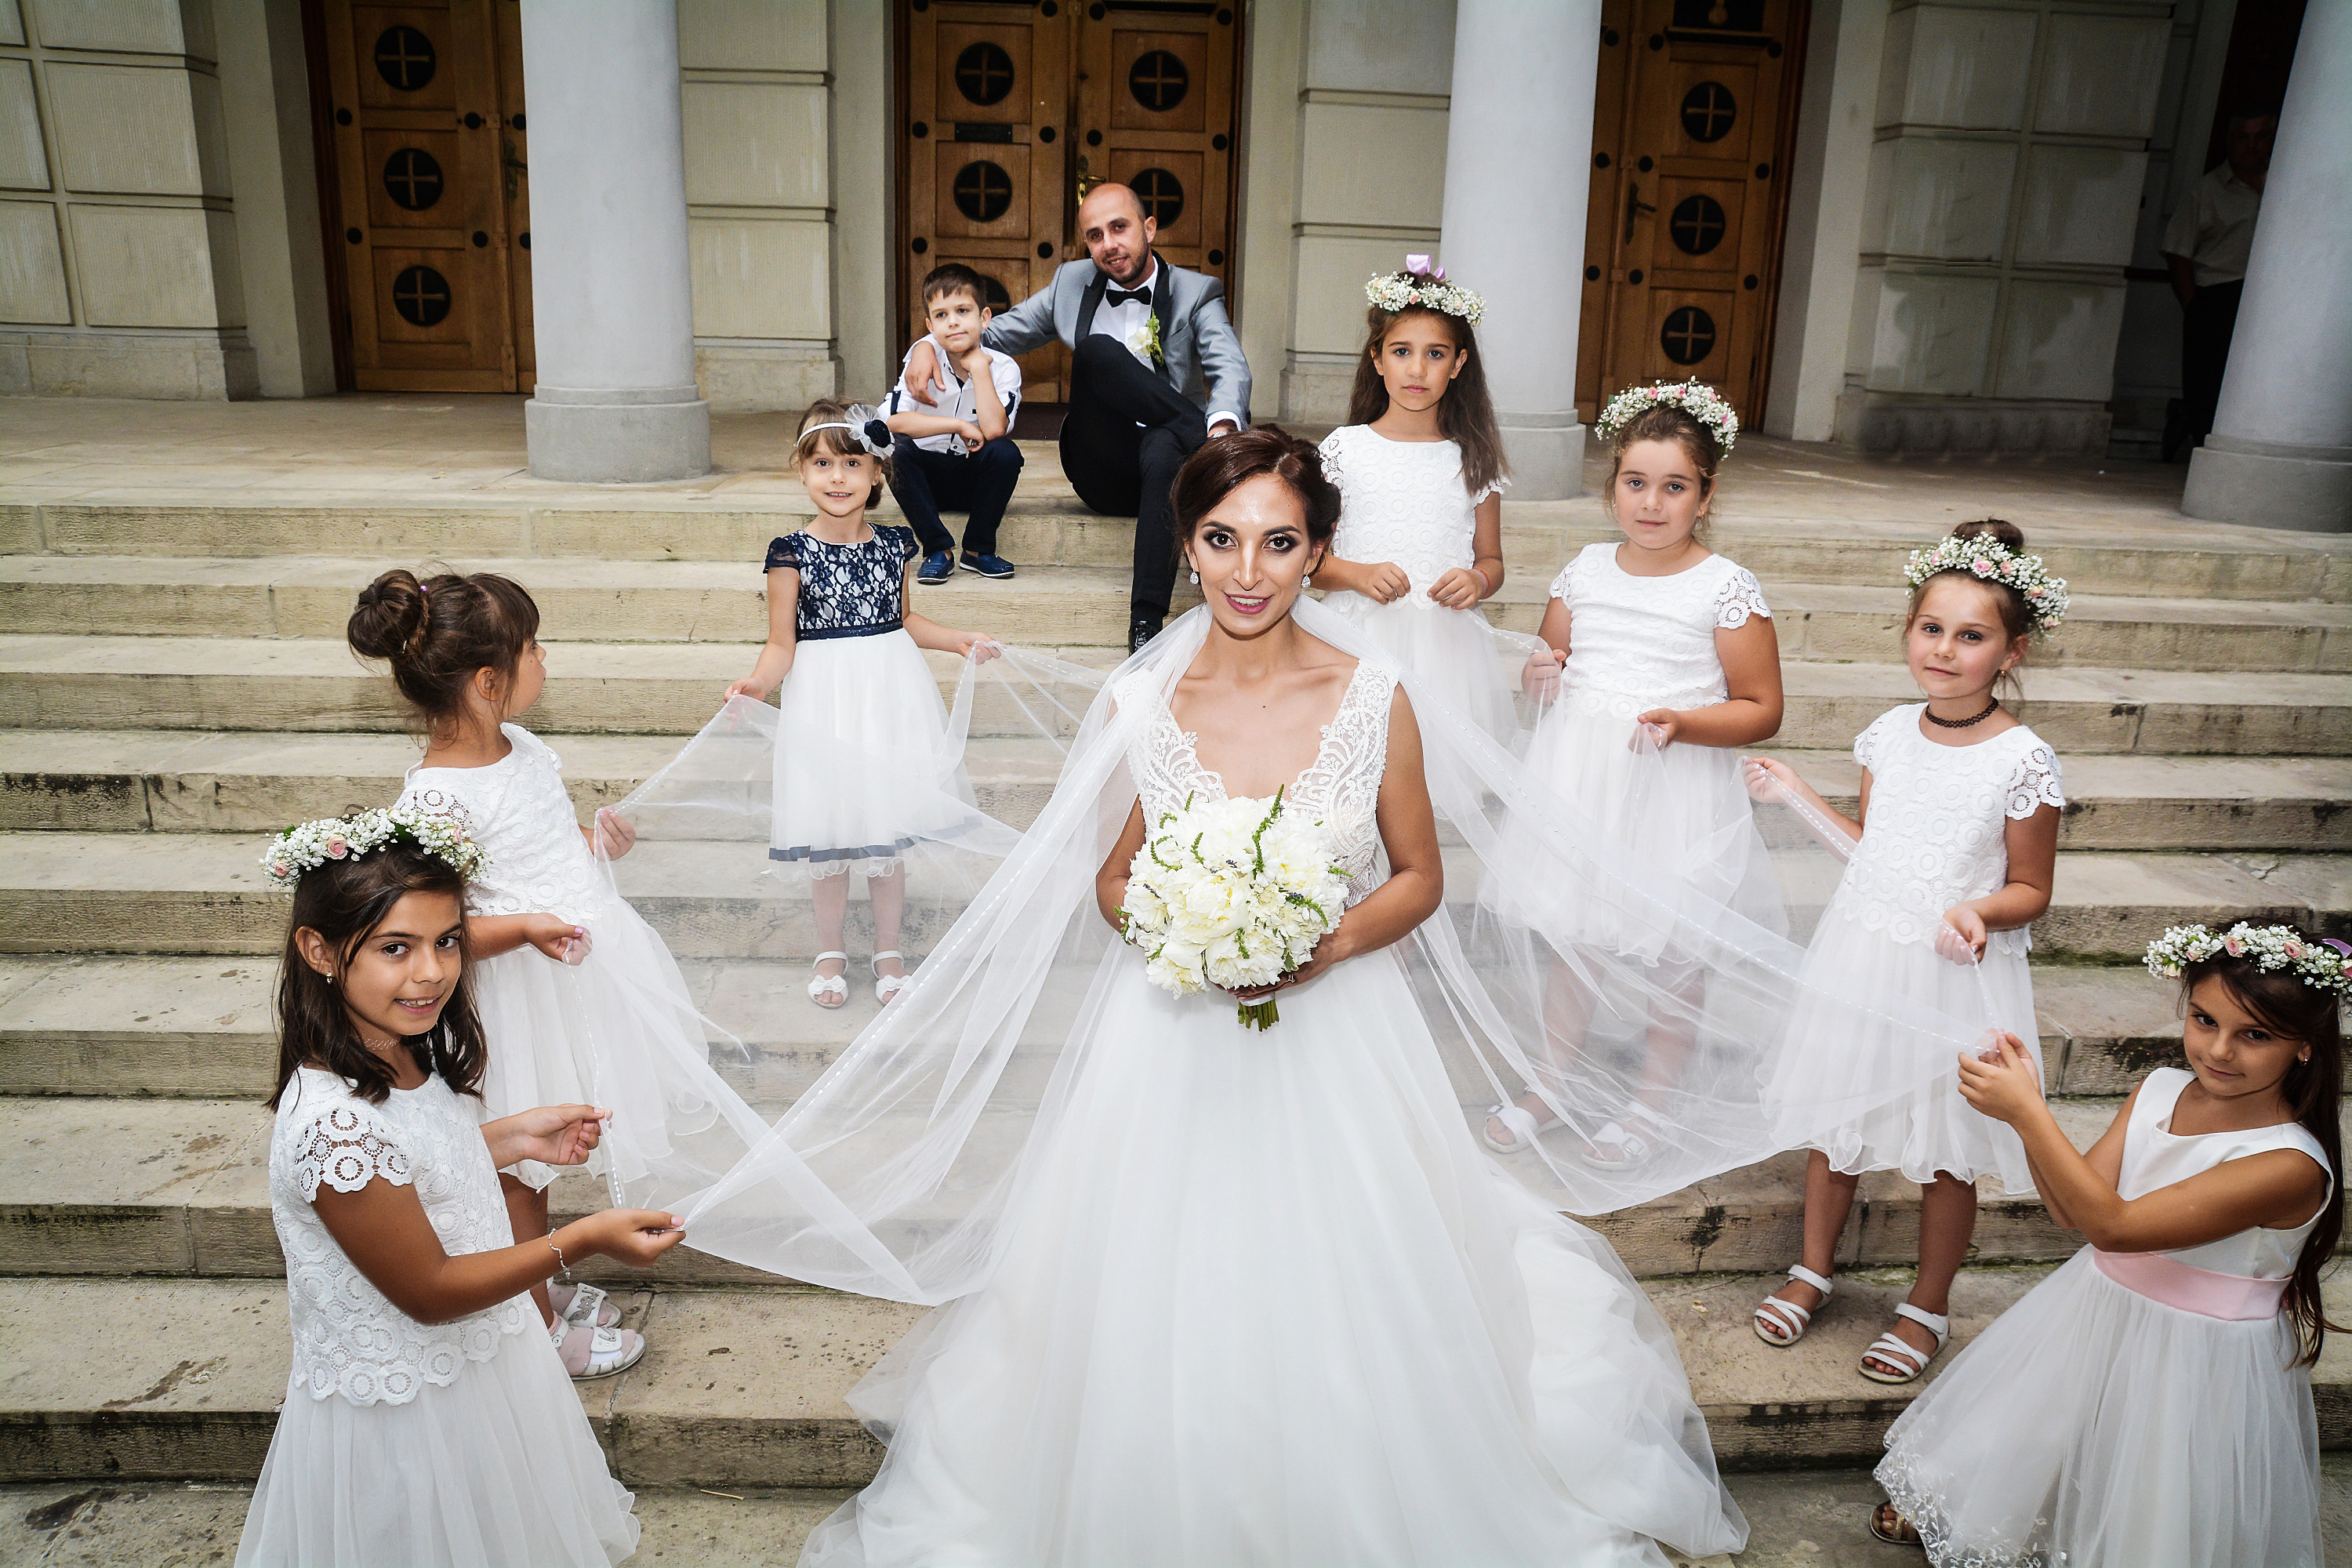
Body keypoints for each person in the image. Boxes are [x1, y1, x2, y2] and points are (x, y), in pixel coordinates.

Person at [788, 426, 1748, 1566]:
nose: (1248, 571)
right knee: (1156, 1288)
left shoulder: (1374, 695)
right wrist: (1183, 931)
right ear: (1188, 546)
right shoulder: (1139, 701)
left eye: (1280, 543)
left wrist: (1325, 944)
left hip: (1341, 1035)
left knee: (1351, 1285)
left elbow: (1420, 876)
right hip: (1170, 1041)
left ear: (1320, 551)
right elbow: (1111, 878)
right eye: (1222, 540)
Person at [235, 808, 684, 1567]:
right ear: (319, 950)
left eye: (447, 940)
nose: (433, 970)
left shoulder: (401, 1047)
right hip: (410, 1409)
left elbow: (411, 1163)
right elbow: (432, 1290)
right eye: (395, 947)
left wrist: (509, 1137)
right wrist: (579, 1239)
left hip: (479, 1362)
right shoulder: (333, 1128)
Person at [1869, 921, 2344, 1564]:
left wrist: (2029, 1114)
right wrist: (2029, 1110)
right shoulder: (2160, 1090)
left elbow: (2113, 1228)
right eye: (2204, 1020)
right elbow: (2072, 1208)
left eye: (2255, 1035)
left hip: (2195, 1356)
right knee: (2052, 1432)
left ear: (2306, 1047)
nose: (2219, 1050)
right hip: (2098, 1308)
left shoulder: (2288, 1164)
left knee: (2153, 1489)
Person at [352, 567, 702, 1379]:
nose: (545, 658)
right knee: (519, 1168)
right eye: (533, 647)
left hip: (577, 971)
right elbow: (430, 930)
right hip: (517, 995)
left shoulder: (524, 746)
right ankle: (533, 1323)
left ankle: (537, 1280)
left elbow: (542, 838)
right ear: (488, 680)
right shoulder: (435, 800)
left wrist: (593, 841)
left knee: (553, 1149)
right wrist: (523, 928)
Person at [1748, 520, 2067, 1385]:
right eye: (1931, 628)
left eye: (1971, 636)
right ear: (1909, 630)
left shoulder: (2023, 759)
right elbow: (1871, 851)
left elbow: (2033, 886)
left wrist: (1980, 909)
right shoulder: (1888, 733)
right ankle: (1813, 1269)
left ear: (2012, 651)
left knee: (1948, 1146)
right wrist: (1796, 794)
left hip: (1952, 971)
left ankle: (1927, 1303)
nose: (1945, 650)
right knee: (1837, 1123)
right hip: (1863, 954)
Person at [1483, 382, 1784, 1169]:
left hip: (1670, 789)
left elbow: (1761, 707)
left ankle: (1653, 1101)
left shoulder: (1724, 587)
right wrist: (1540, 677)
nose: (1652, 503)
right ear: (1612, 487)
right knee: (1573, 939)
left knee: (1672, 955)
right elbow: (1547, 670)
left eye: (1674, 486)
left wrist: (1685, 723)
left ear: (1705, 497)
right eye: (1636, 482)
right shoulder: (1584, 571)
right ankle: (1551, 1084)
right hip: (1582, 782)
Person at [724, 399, 1000, 1009]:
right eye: (822, 464)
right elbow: (781, 643)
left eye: (852, 463)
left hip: (887, 700)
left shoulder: (895, 545)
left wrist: (956, 639)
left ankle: (888, 949)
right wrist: (758, 685)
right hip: (825, 704)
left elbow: (904, 620)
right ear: (801, 471)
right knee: (828, 828)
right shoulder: (790, 553)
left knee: (885, 830)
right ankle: (830, 950)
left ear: (877, 473)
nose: (838, 477)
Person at [983, 182, 1250, 652]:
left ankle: (1145, 623)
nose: (1108, 244)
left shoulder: (1195, 291)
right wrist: (928, 345)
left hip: (1167, 472)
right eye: (1095, 235)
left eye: (1119, 228)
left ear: (1149, 228)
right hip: (1101, 466)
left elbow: (1228, 366)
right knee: (1096, 352)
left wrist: (1224, 426)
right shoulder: (1070, 282)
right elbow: (997, 334)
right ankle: (1206, 443)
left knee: (1165, 446)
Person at [1315, 261, 1521, 743]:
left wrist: (1477, 580)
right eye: (1402, 351)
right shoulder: (1343, 450)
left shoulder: (1473, 458)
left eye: (1436, 354)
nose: (1417, 369)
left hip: (1446, 653)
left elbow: (1492, 561)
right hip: (1355, 639)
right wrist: (1357, 574)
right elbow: (1307, 561)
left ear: (1458, 364)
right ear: (1377, 358)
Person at [883, 263, 1024, 584]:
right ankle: (937, 550)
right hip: (926, 482)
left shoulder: (1004, 368)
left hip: (975, 481)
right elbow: (893, 421)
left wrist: (980, 369)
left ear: (984, 317)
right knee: (893, 449)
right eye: (941, 315)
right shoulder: (919, 364)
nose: (953, 322)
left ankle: (977, 550)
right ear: (930, 325)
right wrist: (957, 426)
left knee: (1005, 452)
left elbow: (995, 430)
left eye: (963, 311)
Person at [2161, 106, 2275, 461]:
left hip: (2271, 299)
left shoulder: (2287, 186)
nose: (2252, 146)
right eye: (2243, 137)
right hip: (2219, 295)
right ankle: (2202, 446)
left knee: (2263, 381)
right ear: (2229, 141)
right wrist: (2194, 306)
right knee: (2208, 382)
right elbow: (2178, 252)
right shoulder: (2206, 192)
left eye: (2261, 137)